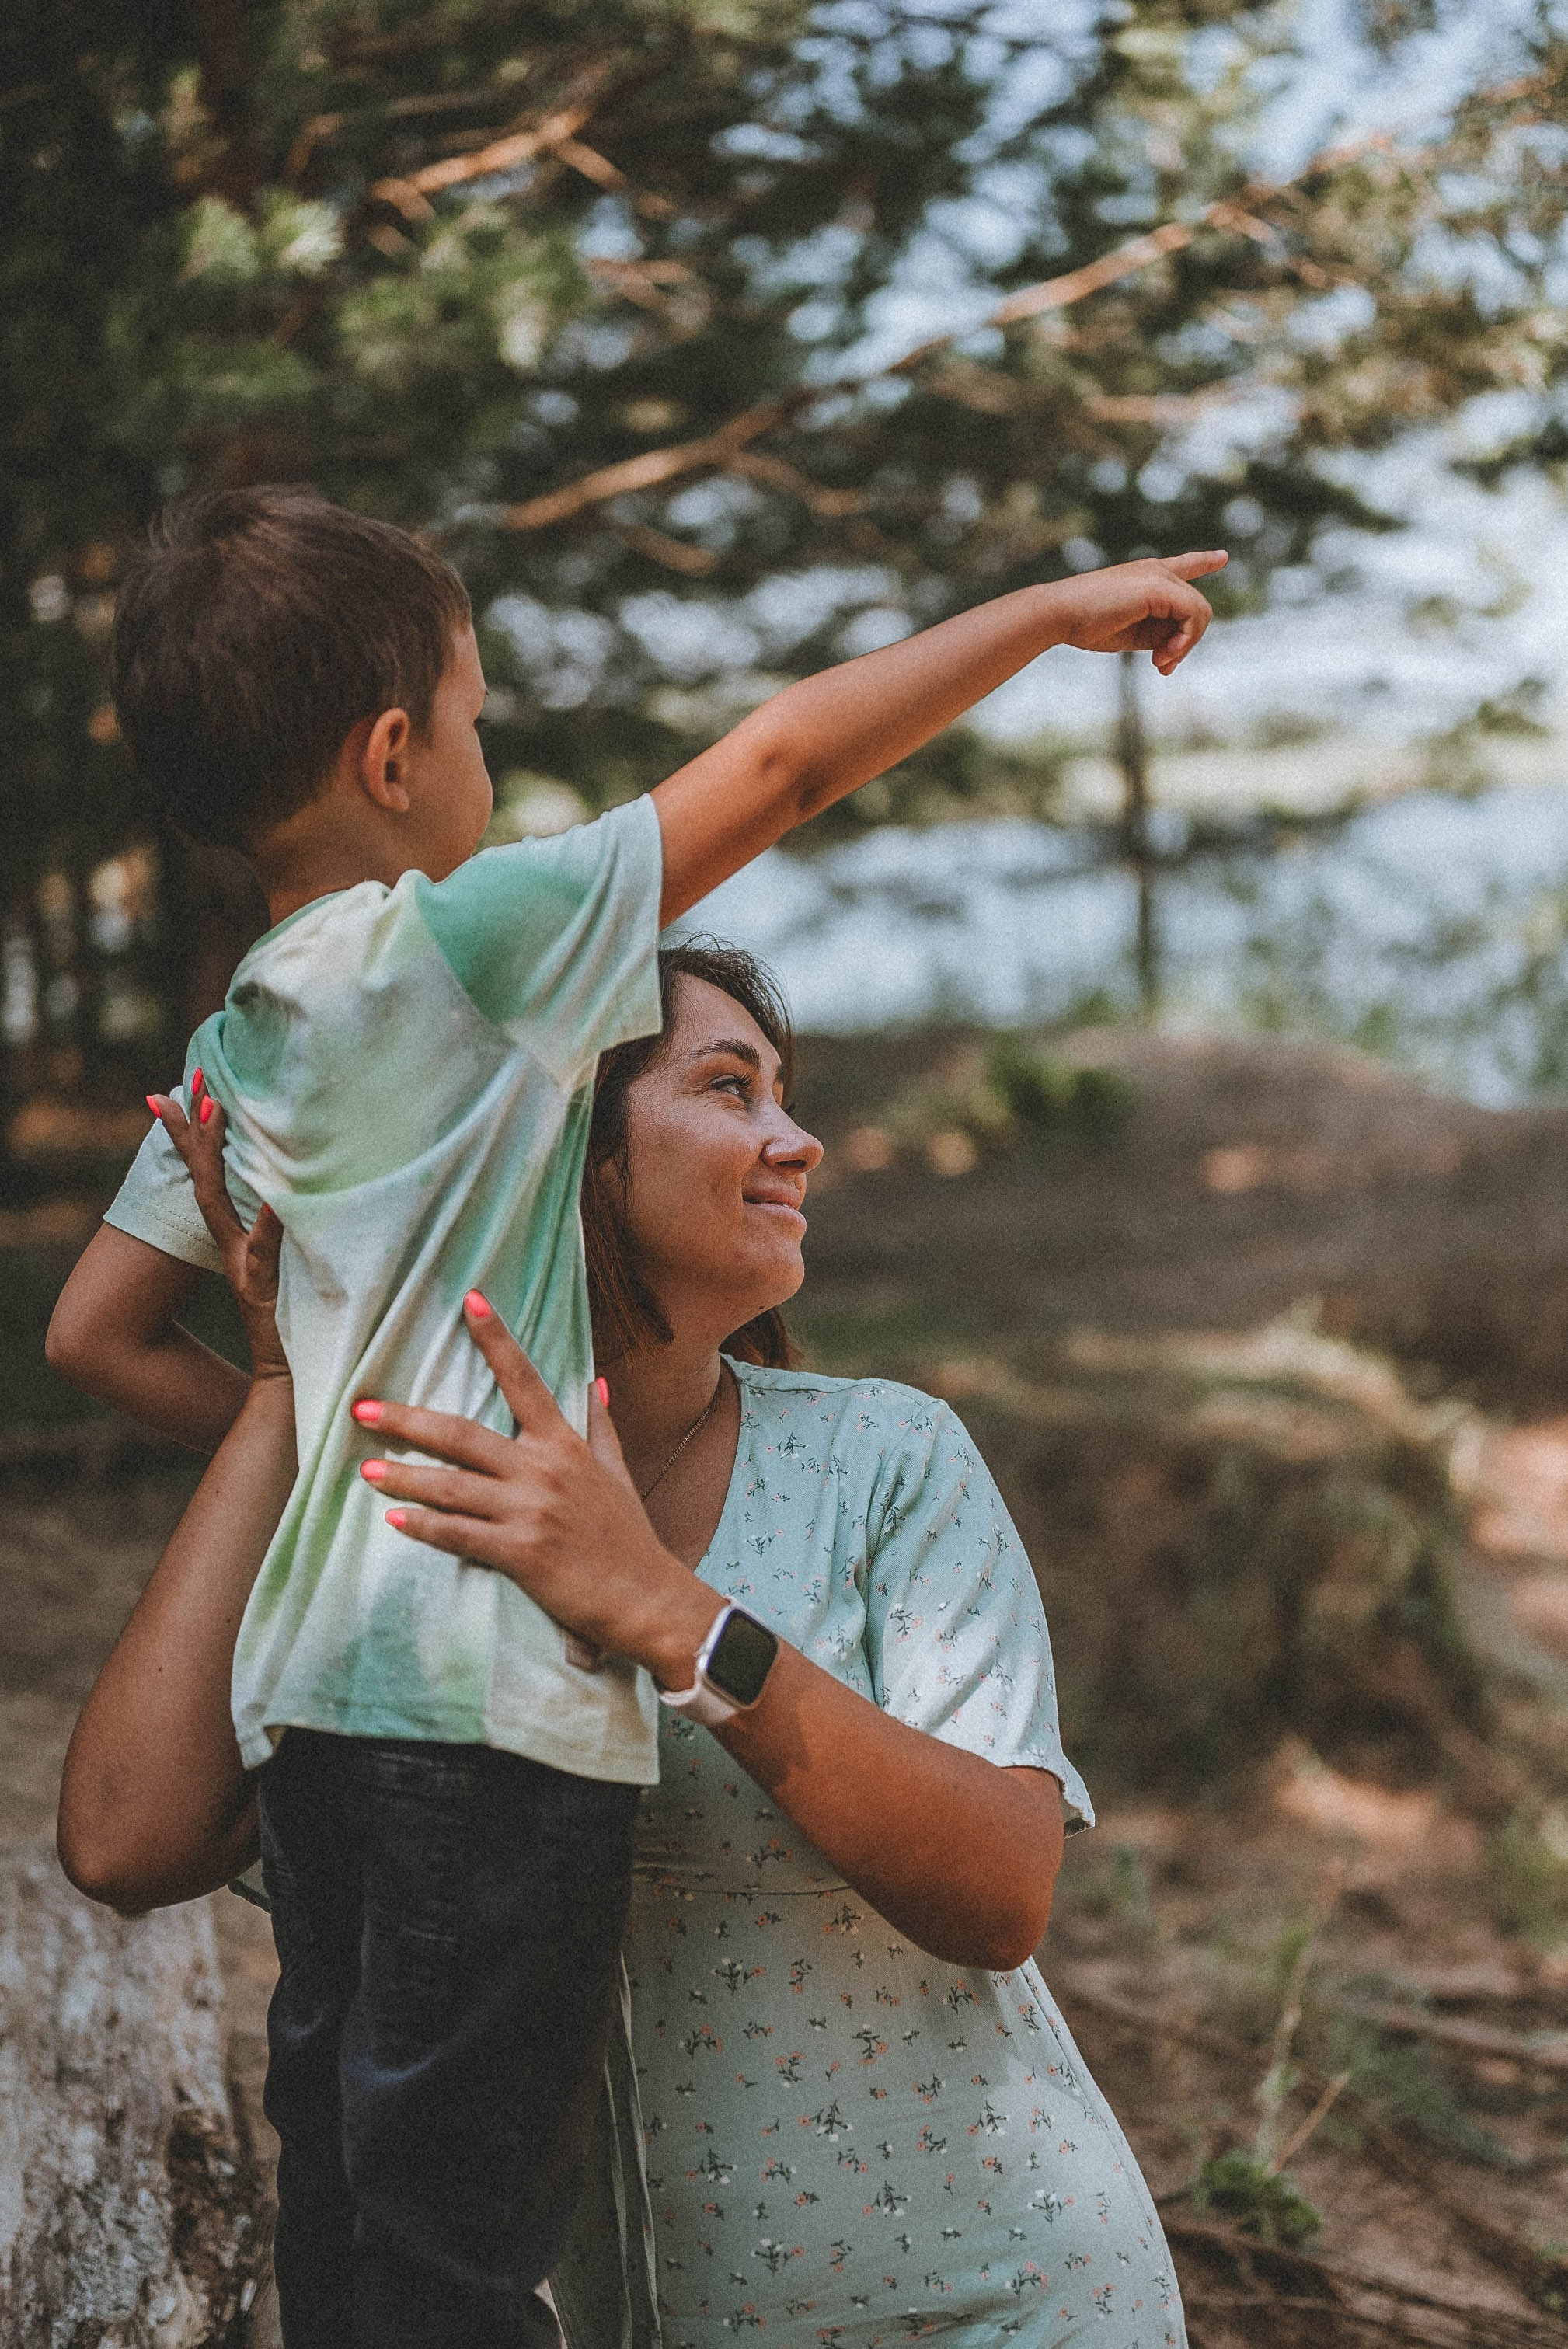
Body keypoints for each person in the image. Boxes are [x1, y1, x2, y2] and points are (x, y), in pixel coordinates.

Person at [51, 490, 1216, 2344]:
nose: (792, 1139)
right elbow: (779, 761)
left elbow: (95, 1330)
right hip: (472, 1733)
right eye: (726, 1084)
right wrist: (1043, 612)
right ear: (393, 749)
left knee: (365, 2224)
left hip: (338, 1725)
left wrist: (352, 1437)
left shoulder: (250, 1044)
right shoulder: (468, 956)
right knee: (441, 2257)